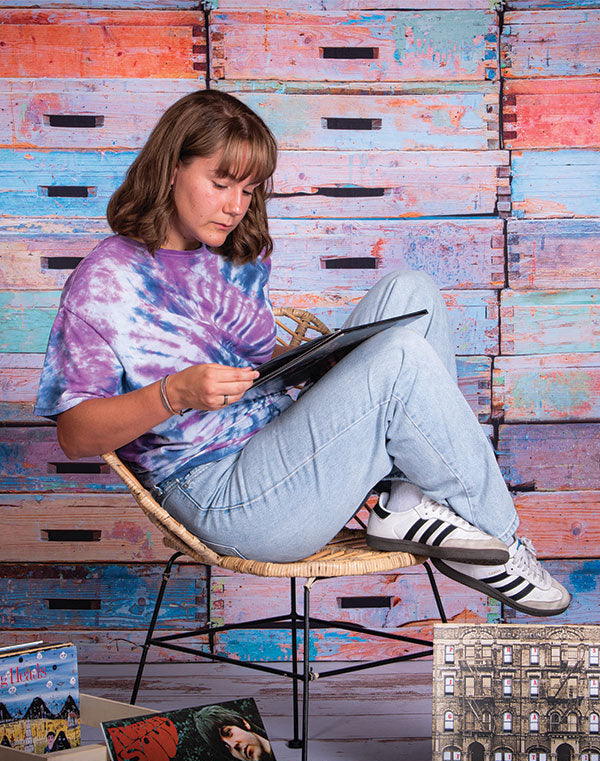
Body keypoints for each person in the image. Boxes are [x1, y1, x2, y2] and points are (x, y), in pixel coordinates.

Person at [34, 89, 569, 617]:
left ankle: (403, 503)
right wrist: (174, 393)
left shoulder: (235, 254)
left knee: (412, 294)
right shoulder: (107, 280)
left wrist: (323, 362)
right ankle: (503, 540)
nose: (235, 207)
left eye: (248, 190)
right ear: (171, 169)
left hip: (284, 446)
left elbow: (244, 356)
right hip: (221, 493)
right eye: (220, 184)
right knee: (401, 356)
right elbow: (76, 435)